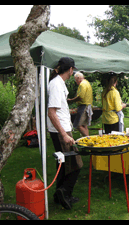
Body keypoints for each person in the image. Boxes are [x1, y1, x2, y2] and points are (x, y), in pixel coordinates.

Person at [47, 57, 83, 210]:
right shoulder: (55, 84)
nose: (73, 72)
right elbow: (51, 112)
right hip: (60, 130)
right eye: (73, 69)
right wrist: (64, 134)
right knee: (76, 163)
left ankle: (60, 195)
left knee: (62, 164)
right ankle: (64, 191)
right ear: (70, 70)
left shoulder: (58, 83)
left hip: (62, 129)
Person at [68, 72, 93, 137]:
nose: (76, 82)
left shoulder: (82, 84)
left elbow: (80, 97)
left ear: (78, 78)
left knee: (78, 125)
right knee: (84, 125)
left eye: (76, 80)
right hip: (87, 105)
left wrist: (71, 100)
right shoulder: (87, 82)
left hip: (83, 106)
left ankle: (88, 139)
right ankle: (87, 140)